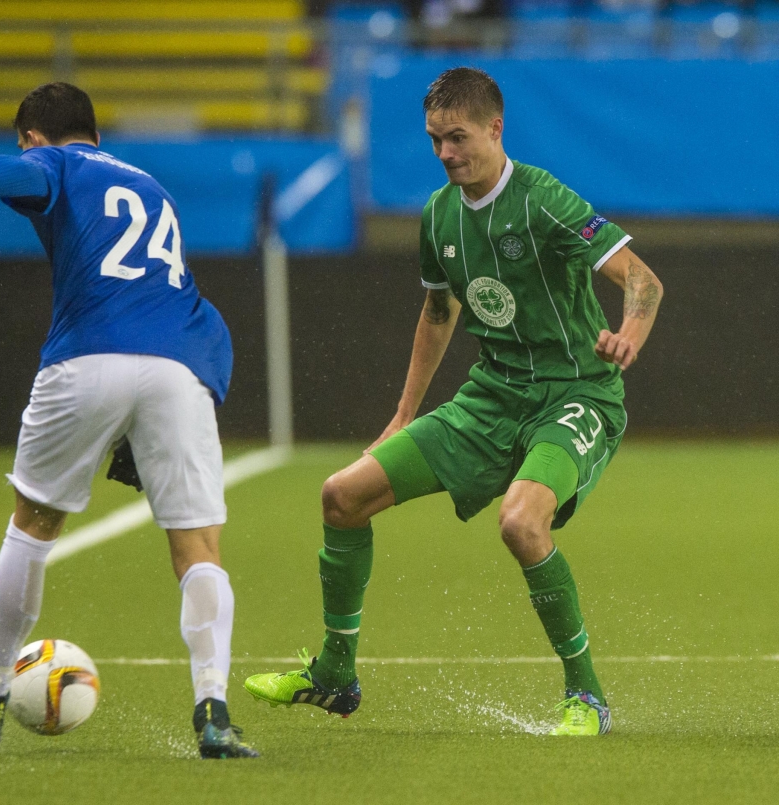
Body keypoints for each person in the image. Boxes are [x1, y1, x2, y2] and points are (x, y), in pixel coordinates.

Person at [244, 67, 663, 736]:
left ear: (495, 130)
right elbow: (438, 312)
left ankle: (587, 696)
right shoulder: (438, 214)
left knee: (523, 522)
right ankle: (335, 673)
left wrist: (629, 336)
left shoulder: (542, 198)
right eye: (436, 139)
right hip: (491, 396)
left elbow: (642, 282)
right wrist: (403, 414)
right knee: (341, 496)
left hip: (576, 394)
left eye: (458, 137)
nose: (445, 153)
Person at [0, 82, 258, 759]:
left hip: (87, 355)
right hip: (180, 367)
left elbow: (14, 173)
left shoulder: (57, 162)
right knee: (199, 547)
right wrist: (197, 395)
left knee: (35, 522)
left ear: (37, 136)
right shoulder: (153, 188)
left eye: (25, 141)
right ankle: (214, 711)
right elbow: (205, 316)